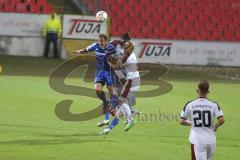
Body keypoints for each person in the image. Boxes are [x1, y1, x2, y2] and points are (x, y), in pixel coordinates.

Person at [72, 33, 116, 126]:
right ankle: (105, 102)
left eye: (101, 41)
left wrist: (115, 64)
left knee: (112, 92)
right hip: (99, 72)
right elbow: (86, 50)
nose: (99, 43)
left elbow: (118, 58)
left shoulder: (111, 48)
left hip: (109, 72)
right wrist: (79, 51)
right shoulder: (95, 45)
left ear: (106, 41)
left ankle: (112, 107)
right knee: (98, 90)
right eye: (99, 41)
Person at [180, 80, 225, 160]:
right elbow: (221, 119)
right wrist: (215, 126)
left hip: (198, 141)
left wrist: (192, 123)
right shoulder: (214, 105)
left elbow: (182, 121)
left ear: (197, 90)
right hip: (211, 140)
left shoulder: (190, 104)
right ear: (208, 91)